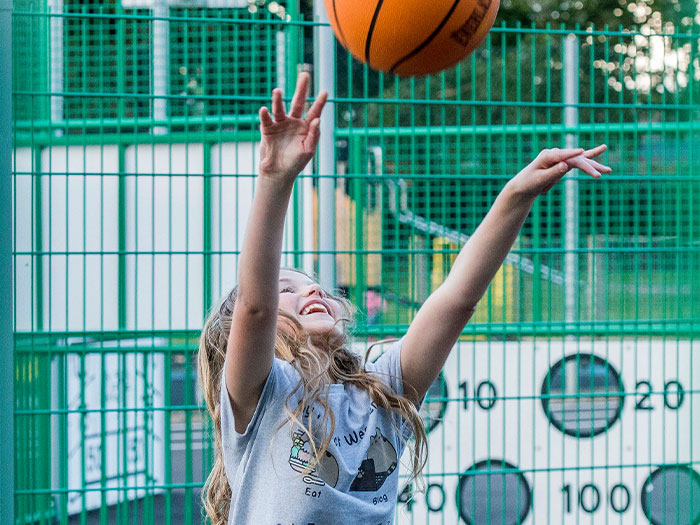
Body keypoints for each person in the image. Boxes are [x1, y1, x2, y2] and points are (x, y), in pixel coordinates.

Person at [197, 72, 611, 525]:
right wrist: (275, 180)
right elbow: (255, 307)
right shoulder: (262, 396)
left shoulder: (381, 386)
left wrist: (516, 195)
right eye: (285, 290)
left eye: (310, 283)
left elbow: (455, 301)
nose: (310, 289)